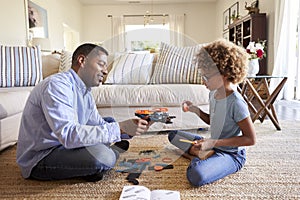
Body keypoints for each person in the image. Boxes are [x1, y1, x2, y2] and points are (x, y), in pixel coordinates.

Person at [16, 43, 151, 182]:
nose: (105, 71)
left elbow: (97, 123)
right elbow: (68, 135)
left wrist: (127, 129)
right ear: (82, 61)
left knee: (109, 122)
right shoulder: (57, 86)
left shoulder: (85, 90)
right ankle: (112, 154)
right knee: (104, 156)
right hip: (43, 156)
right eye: (101, 64)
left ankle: (94, 164)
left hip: (65, 146)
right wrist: (118, 129)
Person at [168, 39, 256, 186]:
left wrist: (212, 143)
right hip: (213, 144)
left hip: (231, 154)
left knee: (196, 175)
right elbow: (213, 121)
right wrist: (195, 109)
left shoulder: (236, 103)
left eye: (207, 77)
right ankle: (204, 153)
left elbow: (250, 139)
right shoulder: (213, 93)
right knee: (173, 135)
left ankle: (200, 155)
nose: (204, 82)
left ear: (225, 74)